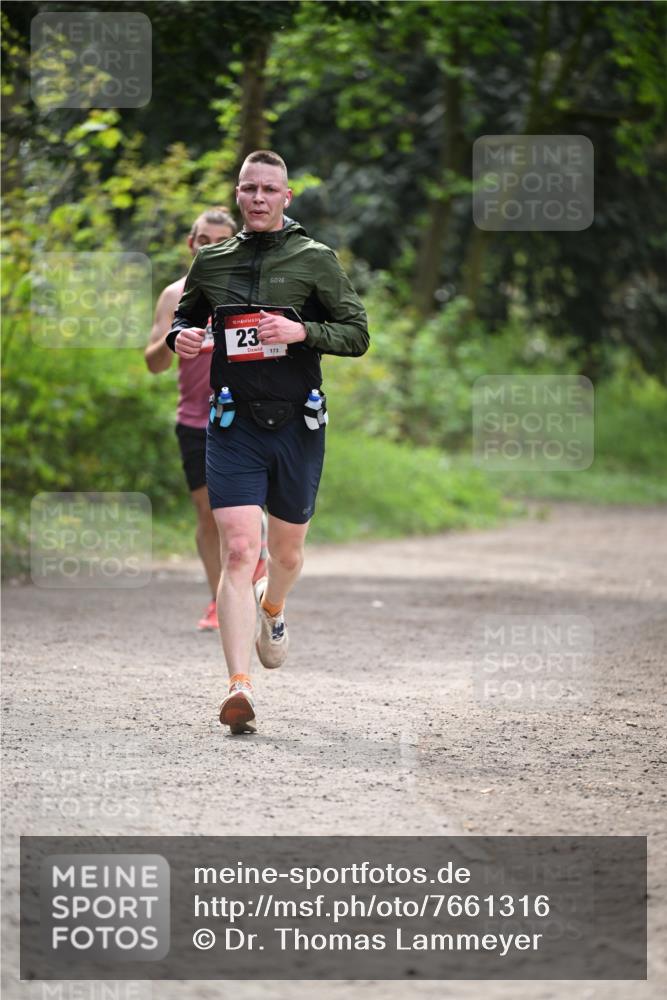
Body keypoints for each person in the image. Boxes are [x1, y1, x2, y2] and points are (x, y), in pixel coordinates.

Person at [166, 150, 369, 732]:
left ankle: (273, 607)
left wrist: (303, 329)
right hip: (232, 423)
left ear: (286, 198)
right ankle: (238, 688)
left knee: (285, 556)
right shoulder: (213, 263)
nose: (257, 198)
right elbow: (187, 320)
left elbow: (358, 333)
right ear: (238, 195)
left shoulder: (315, 259)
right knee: (237, 550)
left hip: (299, 424)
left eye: (268, 190)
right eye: (248, 188)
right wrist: (184, 337)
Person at [145, 207, 267, 631]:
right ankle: (220, 598)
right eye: (203, 240)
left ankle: (253, 556)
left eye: (220, 241)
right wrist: (176, 339)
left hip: (247, 417)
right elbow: (154, 363)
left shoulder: (250, 292)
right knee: (206, 512)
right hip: (196, 419)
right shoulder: (173, 294)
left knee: (239, 514)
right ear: (190, 243)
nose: (209, 247)